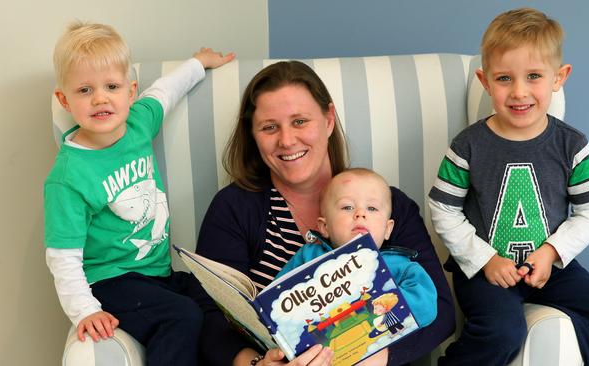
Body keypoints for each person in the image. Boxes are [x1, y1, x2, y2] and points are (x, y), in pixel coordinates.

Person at [195, 60, 455, 366]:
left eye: (300, 121)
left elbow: (440, 309)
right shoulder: (233, 208)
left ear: (328, 120)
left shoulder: (384, 205)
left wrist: (373, 358)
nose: (287, 140)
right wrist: (256, 364)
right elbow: (206, 316)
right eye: (269, 127)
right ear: (253, 135)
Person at [428, 8, 589, 365]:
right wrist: (485, 259)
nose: (519, 92)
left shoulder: (572, 146)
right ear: (485, 80)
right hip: (487, 271)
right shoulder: (468, 146)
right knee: (503, 332)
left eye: (534, 75)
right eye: (504, 78)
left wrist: (552, 252)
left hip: (551, 266)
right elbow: (442, 207)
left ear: (559, 77)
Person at [44, 21, 234, 366]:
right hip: (110, 282)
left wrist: (199, 63)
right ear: (64, 100)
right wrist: (85, 311)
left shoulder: (137, 123)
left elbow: (165, 91)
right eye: (84, 90)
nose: (100, 98)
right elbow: (62, 256)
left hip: (157, 275)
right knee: (182, 316)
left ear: (130, 93)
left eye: (111, 86)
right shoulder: (69, 176)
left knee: (212, 302)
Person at [277, 168, 438, 330]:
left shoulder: (400, 265)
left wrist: (381, 302)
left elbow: (426, 306)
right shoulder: (308, 256)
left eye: (372, 208)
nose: (360, 213)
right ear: (325, 227)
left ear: (387, 229)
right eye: (347, 207)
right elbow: (275, 300)